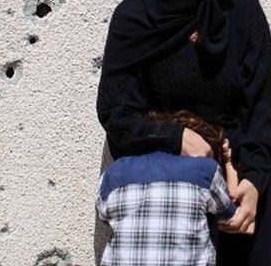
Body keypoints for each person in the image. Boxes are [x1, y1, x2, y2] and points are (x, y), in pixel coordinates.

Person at [97, 0, 271, 265]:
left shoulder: (243, 12)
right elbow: (116, 112)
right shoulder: (137, 18)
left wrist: (255, 182)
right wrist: (176, 138)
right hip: (169, 205)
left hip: (239, 191)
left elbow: (261, 105)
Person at [97, 110, 237, 266]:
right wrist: (229, 161)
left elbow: (104, 214)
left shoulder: (114, 173)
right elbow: (231, 217)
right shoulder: (205, 170)